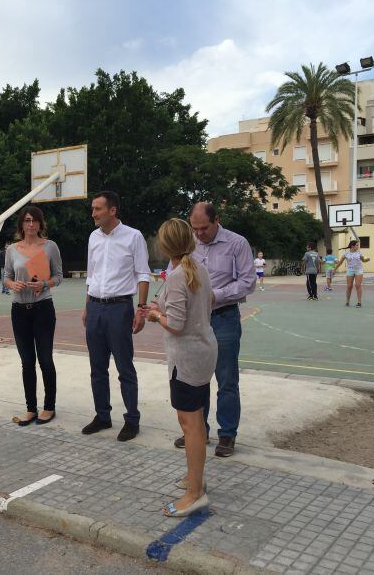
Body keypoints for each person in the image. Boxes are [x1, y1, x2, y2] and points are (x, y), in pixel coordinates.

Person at [142, 218, 216, 517]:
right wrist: (163, 310)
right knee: (195, 419)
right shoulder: (198, 269)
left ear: (165, 245)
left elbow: (175, 324)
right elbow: (204, 304)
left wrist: (155, 317)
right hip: (202, 352)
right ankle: (194, 478)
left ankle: (195, 493)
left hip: (186, 358)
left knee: (191, 425)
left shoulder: (176, 276)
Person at [183, 202, 255, 457]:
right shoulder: (189, 243)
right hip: (195, 319)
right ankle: (197, 430)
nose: (199, 234)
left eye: (204, 229)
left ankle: (227, 434)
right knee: (194, 378)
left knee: (226, 379)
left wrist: (216, 295)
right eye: (195, 228)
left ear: (217, 221)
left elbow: (248, 282)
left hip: (223, 317)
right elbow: (177, 272)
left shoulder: (237, 243)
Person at [81, 191, 150, 442]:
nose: (93, 213)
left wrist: (141, 309)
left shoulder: (133, 236)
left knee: (124, 367)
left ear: (112, 210)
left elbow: (143, 274)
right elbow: (92, 274)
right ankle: (103, 416)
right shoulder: (93, 237)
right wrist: (87, 305)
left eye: (98, 209)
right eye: (92, 208)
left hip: (120, 308)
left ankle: (132, 419)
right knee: (97, 368)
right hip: (96, 307)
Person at [4, 207, 63, 426]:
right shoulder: (12, 250)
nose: (31, 225)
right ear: (21, 224)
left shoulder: (50, 247)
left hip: (43, 309)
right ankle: (31, 408)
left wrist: (44, 284)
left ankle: (49, 407)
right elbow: (6, 277)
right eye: (27, 221)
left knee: (45, 359)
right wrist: (12, 284)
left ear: (40, 224)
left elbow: (58, 276)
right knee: (26, 362)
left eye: (35, 221)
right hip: (19, 310)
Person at [334, 240, 370, 307]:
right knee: (349, 286)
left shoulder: (359, 252)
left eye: (358, 245)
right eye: (357, 245)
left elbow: (363, 260)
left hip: (358, 270)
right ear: (352, 246)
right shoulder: (346, 254)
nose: (358, 246)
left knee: (357, 285)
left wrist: (367, 260)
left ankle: (359, 302)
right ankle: (347, 301)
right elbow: (340, 262)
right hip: (350, 270)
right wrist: (334, 270)